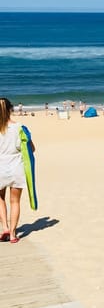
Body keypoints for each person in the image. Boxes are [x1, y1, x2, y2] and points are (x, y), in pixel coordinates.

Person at [0, 97, 34, 243]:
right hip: (16, 168)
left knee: (0, 198)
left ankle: (5, 228)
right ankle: (13, 234)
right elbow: (32, 148)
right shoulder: (20, 127)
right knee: (15, 202)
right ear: (10, 110)